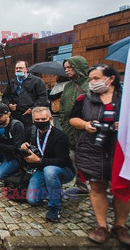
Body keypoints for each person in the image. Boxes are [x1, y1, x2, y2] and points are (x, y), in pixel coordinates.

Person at [69, 64, 129, 245]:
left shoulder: (125, 99)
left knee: (122, 187)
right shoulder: (84, 98)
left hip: (119, 149)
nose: (93, 82)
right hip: (92, 148)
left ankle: (120, 226)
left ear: (110, 79)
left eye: (96, 78)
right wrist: (86, 125)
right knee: (97, 186)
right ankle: (102, 225)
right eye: (91, 79)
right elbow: (73, 118)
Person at [21, 107, 75, 222]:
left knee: (49, 171)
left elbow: (63, 160)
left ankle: (55, 207)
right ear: (32, 119)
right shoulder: (30, 132)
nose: (40, 122)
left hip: (62, 170)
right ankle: (51, 189)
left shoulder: (60, 136)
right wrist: (23, 148)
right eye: (37, 119)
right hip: (40, 169)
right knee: (32, 200)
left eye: (43, 119)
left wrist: (40, 161)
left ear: (50, 119)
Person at [59, 56, 90, 195]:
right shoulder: (68, 86)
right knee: (75, 159)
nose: (67, 71)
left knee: (91, 160)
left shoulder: (90, 84)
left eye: (69, 68)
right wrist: (65, 125)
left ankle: (104, 191)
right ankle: (82, 187)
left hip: (88, 129)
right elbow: (62, 108)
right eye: (65, 68)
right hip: (70, 129)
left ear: (78, 67)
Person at [2, 61, 48, 128]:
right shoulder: (11, 83)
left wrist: (32, 109)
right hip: (16, 116)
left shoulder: (37, 81)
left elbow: (43, 97)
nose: (18, 70)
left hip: (31, 116)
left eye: (20, 68)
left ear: (26, 69)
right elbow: (5, 97)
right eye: (16, 68)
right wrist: (9, 104)